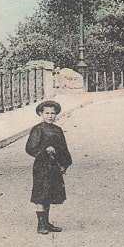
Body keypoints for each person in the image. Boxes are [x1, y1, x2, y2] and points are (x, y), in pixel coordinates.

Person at [26, 100, 73, 235]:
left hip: (54, 166)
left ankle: (46, 222)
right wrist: (45, 149)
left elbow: (64, 148)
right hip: (42, 166)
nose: (50, 116)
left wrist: (64, 164)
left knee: (50, 193)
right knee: (41, 193)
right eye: (47, 113)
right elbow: (30, 148)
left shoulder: (57, 130)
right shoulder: (38, 129)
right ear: (41, 114)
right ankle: (41, 225)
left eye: (53, 113)